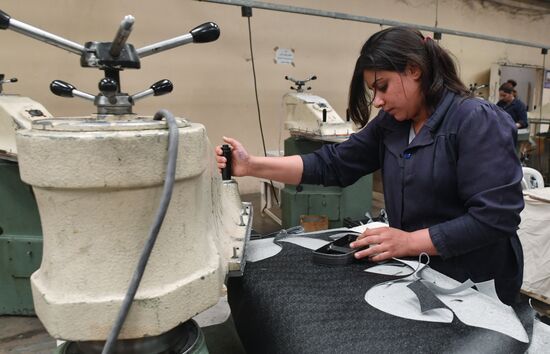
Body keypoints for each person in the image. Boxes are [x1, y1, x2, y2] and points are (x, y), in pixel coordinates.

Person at [216, 27, 524, 305]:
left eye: (383, 86)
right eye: (372, 91)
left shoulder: (475, 120)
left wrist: (407, 241)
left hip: (476, 280)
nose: (377, 100)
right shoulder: (393, 124)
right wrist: (251, 165)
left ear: (415, 70)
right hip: (424, 269)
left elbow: (496, 217)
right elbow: (332, 164)